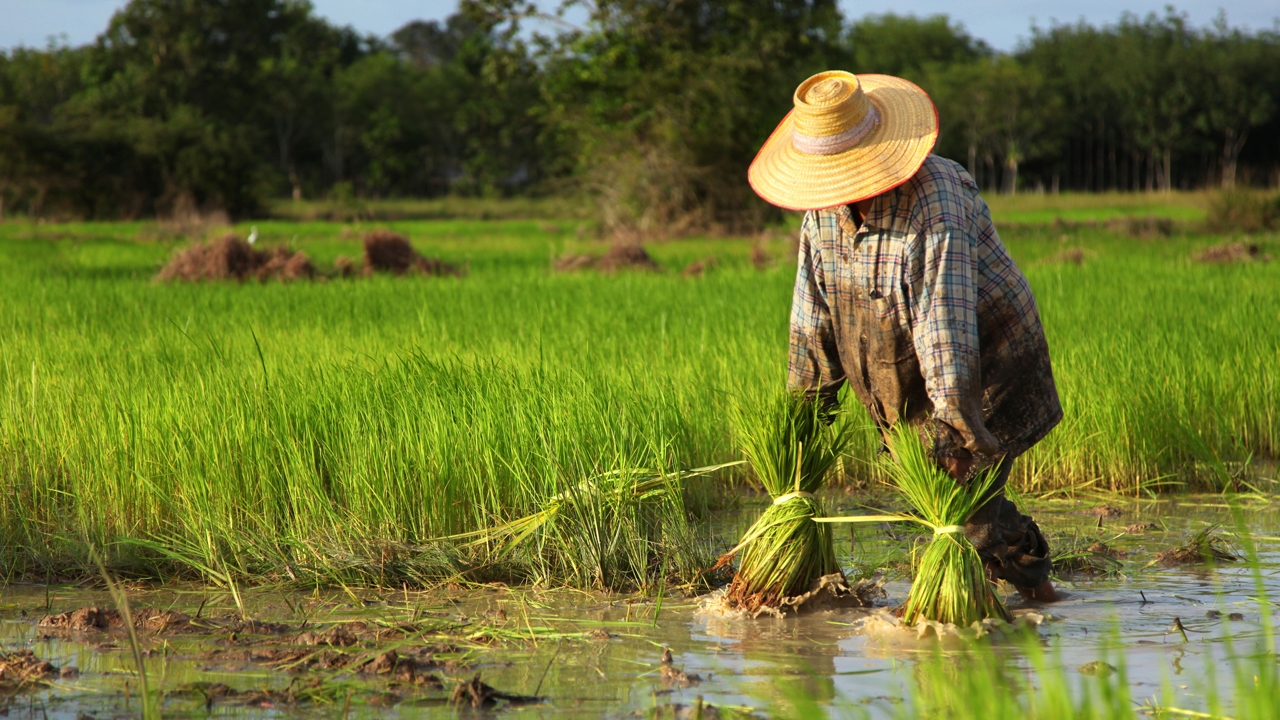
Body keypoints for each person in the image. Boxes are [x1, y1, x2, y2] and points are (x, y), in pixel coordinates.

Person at [747, 70, 1061, 602]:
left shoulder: (934, 200)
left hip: (986, 363)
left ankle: (1037, 600)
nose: (838, 187)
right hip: (901, 370)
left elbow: (947, 331)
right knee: (942, 499)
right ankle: (1019, 583)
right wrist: (800, 431)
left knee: (968, 509)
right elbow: (811, 324)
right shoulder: (821, 219)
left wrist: (956, 434)